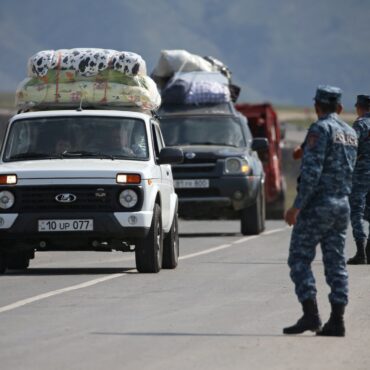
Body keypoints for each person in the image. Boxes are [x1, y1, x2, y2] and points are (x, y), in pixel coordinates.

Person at [283, 85, 358, 337]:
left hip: (318, 205)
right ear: (340, 108)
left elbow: (312, 174)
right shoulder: (350, 133)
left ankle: (311, 315)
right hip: (341, 204)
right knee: (336, 263)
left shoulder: (320, 128)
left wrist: (296, 206)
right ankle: (337, 320)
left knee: (299, 258)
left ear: (317, 106)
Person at [347, 95, 370, 265]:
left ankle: (361, 251)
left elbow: (350, 147)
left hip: (362, 173)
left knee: (357, 211)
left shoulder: (360, 124)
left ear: (361, 107)